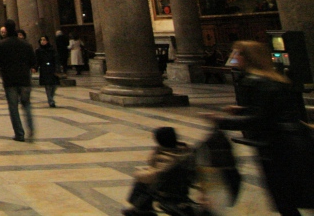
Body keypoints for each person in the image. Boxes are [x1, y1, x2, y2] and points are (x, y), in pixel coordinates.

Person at [208, 41, 314, 215]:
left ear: (249, 58)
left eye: (238, 53)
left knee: (283, 198)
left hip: (278, 144)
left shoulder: (255, 81)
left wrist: (220, 120)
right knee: (293, 195)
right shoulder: (275, 78)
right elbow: (274, 109)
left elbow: (259, 119)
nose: (234, 57)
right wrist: (243, 110)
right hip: (292, 140)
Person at [122, 126, 195, 216]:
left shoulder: (166, 158)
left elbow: (155, 175)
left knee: (142, 184)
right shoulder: (183, 151)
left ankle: (141, 209)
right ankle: (140, 208)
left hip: (167, 190)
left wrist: (139, 174)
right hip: (181, 187)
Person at [0, 19, 36, 142]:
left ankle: (19, 134)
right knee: (26, 104)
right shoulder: (26, 44)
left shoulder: (1, 44)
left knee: (13, 107)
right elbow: (33, 61)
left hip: (10, 79)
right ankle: (31, 129)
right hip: (24, 79)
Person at [36, 35, 59, 107]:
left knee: (54, 85)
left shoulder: (52, 49)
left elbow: (56, 59)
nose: (42, 41)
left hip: (52, 68)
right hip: (44, 69)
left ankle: (51, 97)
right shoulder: (38, 50)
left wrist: (57, 69)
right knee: (47, 85)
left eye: (44, 40)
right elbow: (37, 60)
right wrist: (35, 67)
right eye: (41, 40)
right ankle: (50, 100)